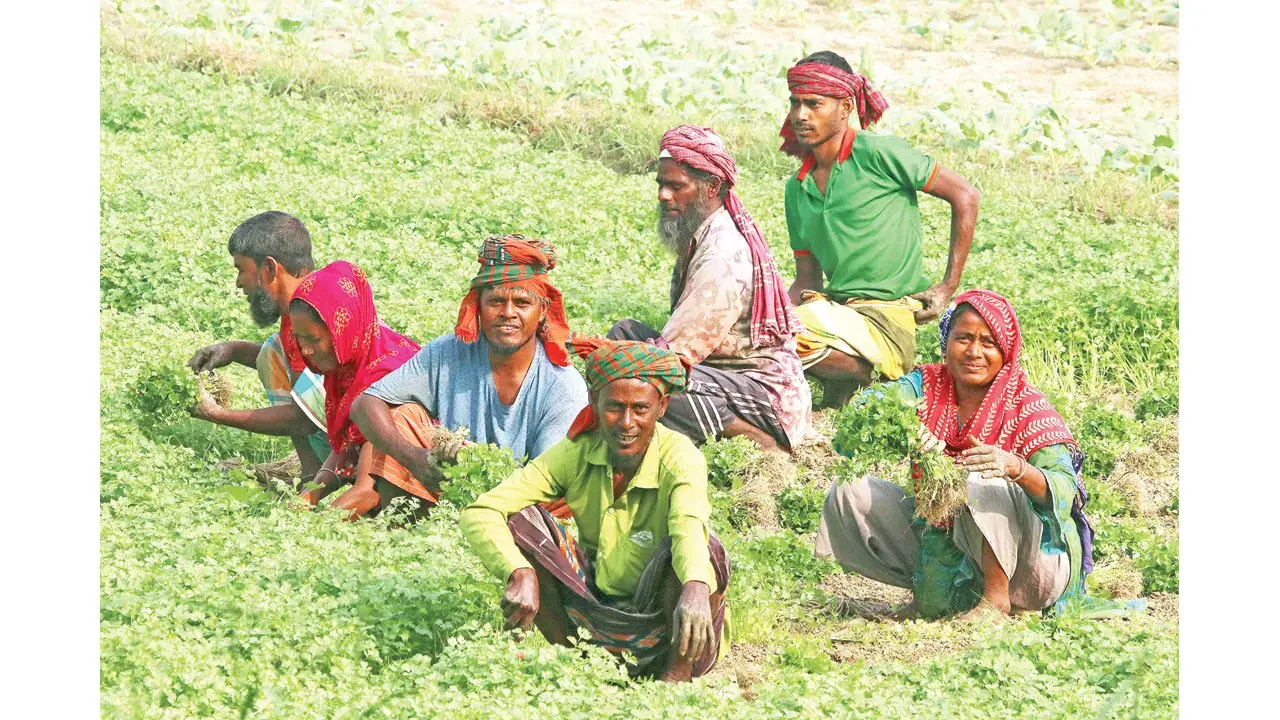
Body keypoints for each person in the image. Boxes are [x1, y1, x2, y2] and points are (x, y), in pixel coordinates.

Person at [815, 289, 1099, 620]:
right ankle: (941, 592)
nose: (974, 352)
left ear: (1005, 351)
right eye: (963, 338)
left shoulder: (1026, 406)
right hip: (952, 545)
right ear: (946, 340)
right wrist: (907, 427)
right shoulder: (926, 384)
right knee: (850, 492)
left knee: (981, 473)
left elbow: (1066, 491)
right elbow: (866, 412)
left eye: (988, 343)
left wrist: (1015, 468)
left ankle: (995, 601)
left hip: (1034, 568)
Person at [460, 338, 731, 682]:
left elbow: (688, 525)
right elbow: (481, 511)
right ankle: (571, 661)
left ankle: (674, 676)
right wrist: (518, 571)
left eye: (641, 409)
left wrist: (694, 585)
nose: (626, 422)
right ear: (594, 402)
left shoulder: (680, 456)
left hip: (665, 624)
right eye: (614, 407)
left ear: (661, 407)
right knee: (522, 522)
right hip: (592, 613)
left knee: (705, 552)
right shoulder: (577, 452)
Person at [781, 51, 982, 407]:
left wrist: (947, 287)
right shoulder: (797, 188)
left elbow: (965, 195)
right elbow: (807, 282)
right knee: (761, 330)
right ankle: (844, 389)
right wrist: (761, 311)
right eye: (795, 103)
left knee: (780, 333)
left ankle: (865, 377)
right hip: (836, 315)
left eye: (814, 103)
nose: (800, 115)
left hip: (887, 321)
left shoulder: (878, 154)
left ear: (845, 107)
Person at [345, 234, 589, 518]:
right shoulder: (447, 352)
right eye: (496, 301)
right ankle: (404, 523)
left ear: (543, 311)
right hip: (444, 494)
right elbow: (364, 405)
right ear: (478, 305)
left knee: (572, 490)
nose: (507, 313)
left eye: (522, 303)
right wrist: (414, 458)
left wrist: (476, 462)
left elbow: (547, 480)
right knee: (402, 416)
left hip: (521, 507)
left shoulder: (563, 384)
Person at [608, 125, 810, 454]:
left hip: (766, 400)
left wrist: (618, 368)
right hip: (724, 374)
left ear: (712, 186)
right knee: (623, 335)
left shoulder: (722, 257)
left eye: (676, 186)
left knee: (646, 381)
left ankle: (761, 444)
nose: (663, 195)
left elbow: (672, 360)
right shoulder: (702, 230)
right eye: (661, 184)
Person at [188, 211, 330, 481]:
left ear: (269, 269)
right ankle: (313, 472)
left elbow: (300, 417)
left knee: (273, 353)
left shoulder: (314, 313)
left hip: (374, 442)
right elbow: (294, 363)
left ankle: (327, 478)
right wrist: (235, 350)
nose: (239, 282)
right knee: (272, 352)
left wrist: (217, 413)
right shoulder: (299, 305)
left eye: (241, 269)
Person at [285, 261, 421, 514]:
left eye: (313, 339)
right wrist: (307, 497)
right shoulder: (345, 366)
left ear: (343, 331)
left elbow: (366, 493)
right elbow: (347, 449)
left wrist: (303, 531)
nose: (305, 350)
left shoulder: (386, 377)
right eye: (299, 338)